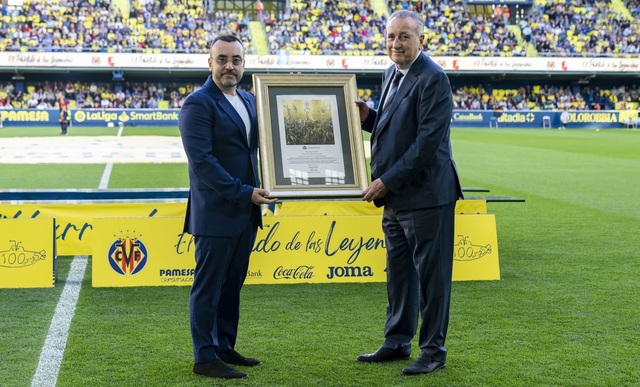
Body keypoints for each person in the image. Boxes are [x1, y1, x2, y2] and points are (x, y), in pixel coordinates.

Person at [354, 10, 463, 376]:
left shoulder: (433, 78)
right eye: (390, 36)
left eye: (404, 36)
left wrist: (386, 182)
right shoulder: (391, 73)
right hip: (397, 197)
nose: (396, 43)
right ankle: (398, 340)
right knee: (398, 274)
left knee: (431, 278)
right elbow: (392, 128)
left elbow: (425, 144)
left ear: (421, 41)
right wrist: (368, 116)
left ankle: (433, 350)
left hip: (427, 195)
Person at [178, 34, 277, 380]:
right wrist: (244, 192)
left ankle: (224, 346)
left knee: (231, 285)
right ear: (210, 63)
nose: (229, 66)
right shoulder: (198, 103)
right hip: (217, 212)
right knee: (207, 288)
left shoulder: (249, 100)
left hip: (245, 213)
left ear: (244, 64)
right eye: (222, 59)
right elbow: (203, 163)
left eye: (236, 60)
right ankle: (204, 356)